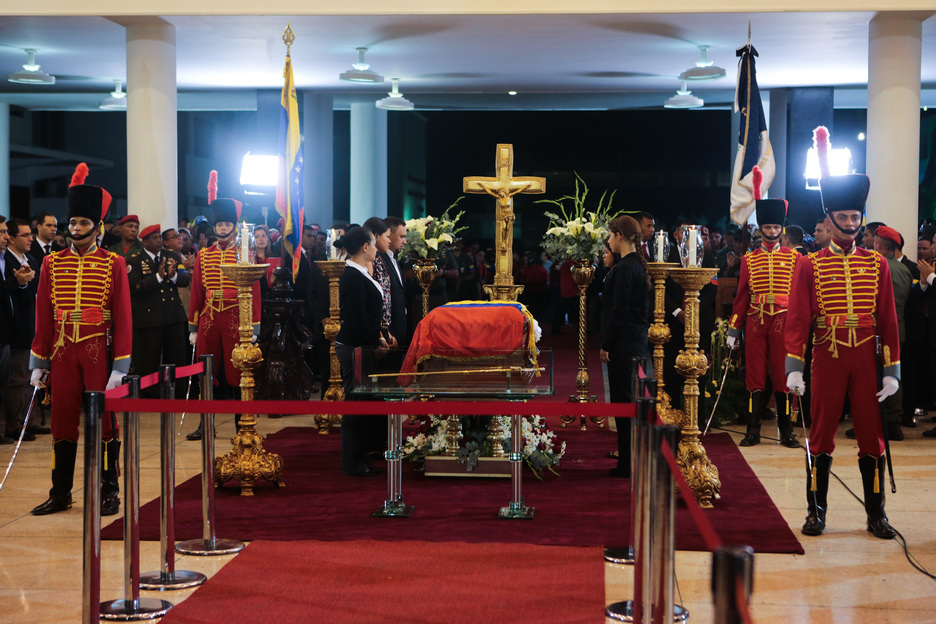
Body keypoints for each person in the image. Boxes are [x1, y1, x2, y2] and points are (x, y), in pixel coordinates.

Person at [785, 129, 900, 539]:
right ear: (829, 220)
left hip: (867, 357)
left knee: (872, 438)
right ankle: (816, 512)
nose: (851, 225)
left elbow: (888, 319)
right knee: (820, 436)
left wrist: (892, 370)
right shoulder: (809, 265)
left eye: (856, 218)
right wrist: (794, 367)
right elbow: (798, 318)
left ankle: (876, 515)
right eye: (844, 218)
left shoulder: (878, 265)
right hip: (828, 354)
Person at [29, 163, 132, 516]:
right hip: (61, 352)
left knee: (105, 421)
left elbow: (122, 317)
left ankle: (109, 489)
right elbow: (43, 315)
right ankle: (60, 492)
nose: (75, 229)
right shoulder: (50, 264)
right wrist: (38, 363)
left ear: (97, 227)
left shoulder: (113, 263)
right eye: (72, 223)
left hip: (97, 352)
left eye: (83, 223)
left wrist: (120, 365)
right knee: (61, 419)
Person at [726, 168, 799, 449]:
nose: (771, 232)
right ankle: (752, 430)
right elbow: (742, 295)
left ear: (781, 229)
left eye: (775, 228)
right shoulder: (748, 260)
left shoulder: (795, 259)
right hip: (756, 321)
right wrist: (734, 327)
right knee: (754, 376)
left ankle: (787, 432)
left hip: (783, 321)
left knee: (782, 377)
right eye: (767, 228)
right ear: (760, 229)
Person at [186, 171, 260, 440]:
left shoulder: (244, 254)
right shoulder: (204, 255)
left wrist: (254, 324)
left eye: (226, 224)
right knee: (206, 371)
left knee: (237, 371)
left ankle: (243, 420)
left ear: (233, 225)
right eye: (218, 226)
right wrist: (193, 326)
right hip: (208, 318)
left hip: (236, 317)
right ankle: (205, 424)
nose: (222, 229)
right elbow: (197, 291)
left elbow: (255, 290)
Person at [334, 227, 389, 476]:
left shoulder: (359, 273)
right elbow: (356, 318)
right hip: (355, 346)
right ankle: (351, 461)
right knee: (355, 403)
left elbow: (368, 315)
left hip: (363, 343)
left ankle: (362, 456)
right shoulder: (351, 275)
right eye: (373, 244)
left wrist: (378, 336)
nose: (377, 248)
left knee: (363, 403)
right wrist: (375, 342)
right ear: (365, 248)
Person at [600, 215, 650, 478]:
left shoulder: (624, 269)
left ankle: (627, 465)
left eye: (610, 236)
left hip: (624, 344)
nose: (609, 241)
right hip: (634, 342)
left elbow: (619, 312)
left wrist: (606, 344)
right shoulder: (634, 266)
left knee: (624, 404)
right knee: (629, 402)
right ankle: (629, 461)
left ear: (619, 236)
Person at [127, 224, 190, 398]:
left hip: (173, 316)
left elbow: (184, 280)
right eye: (154, 238)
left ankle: (178, 394)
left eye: (159, 238)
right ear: (144, 241)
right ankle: (150, 395)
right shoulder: (134, 260)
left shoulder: (171, 256)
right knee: (149, 360)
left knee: (177, 358)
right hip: (149, 318)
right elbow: (134, 287)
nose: (158, 241)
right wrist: (158, 277)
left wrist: (173, 276)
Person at [3, 218, 46, 443]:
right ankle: (14, 424)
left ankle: (28, 421)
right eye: (25, 235)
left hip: (33, 325)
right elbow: (13, 294)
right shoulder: (7, 260)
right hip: (17, 328)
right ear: (11, 237)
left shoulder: (30, 259)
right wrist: (22, 283)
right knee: (18, 378)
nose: (31, 238)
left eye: (31, 234)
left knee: (32, 378)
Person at [253, 224, 280, 299]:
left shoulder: (275, 257)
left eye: (264, 236)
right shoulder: (250, 260)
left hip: (274, 298)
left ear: (268, 238)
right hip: (258, 297)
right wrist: (270, 281)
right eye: (257, 237)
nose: (261, 239)